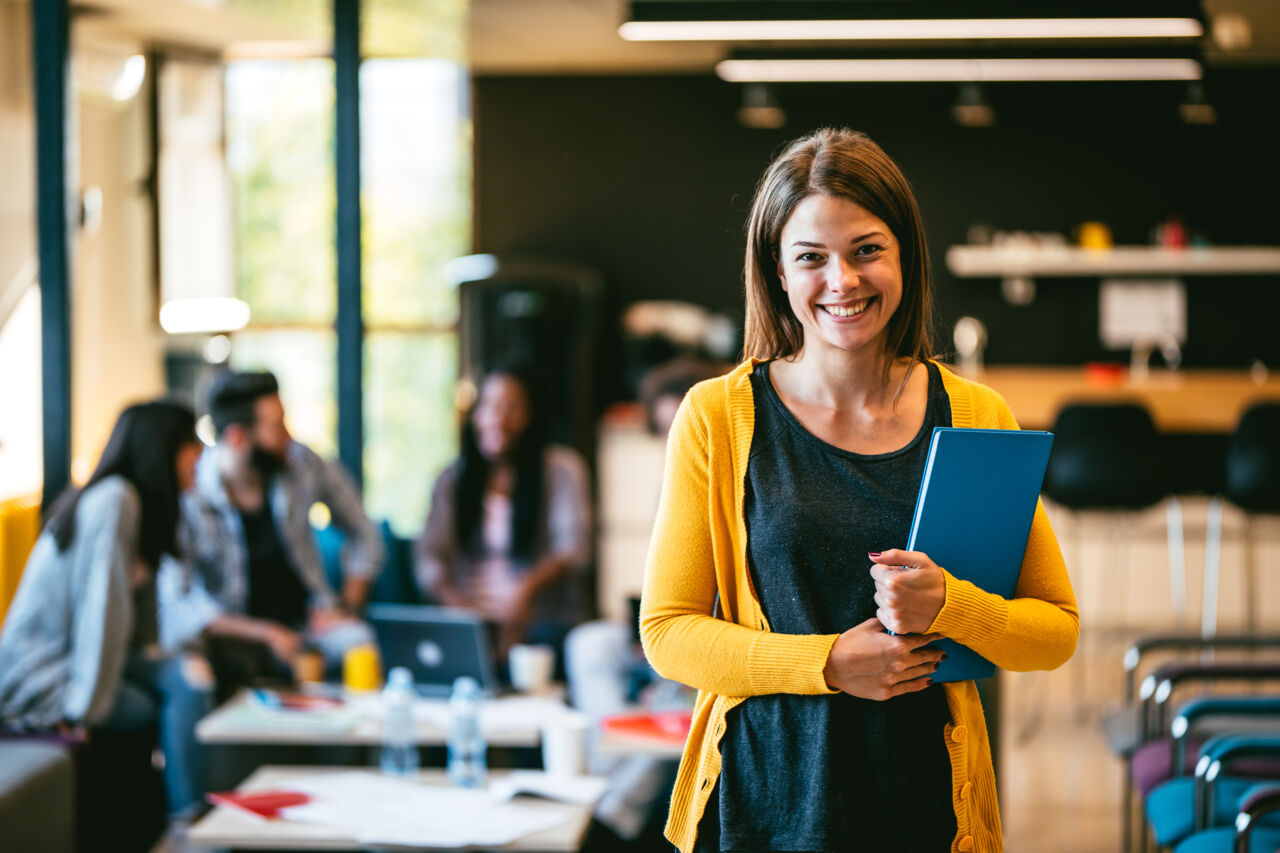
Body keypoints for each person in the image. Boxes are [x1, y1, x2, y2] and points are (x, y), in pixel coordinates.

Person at [640, 128, 1079, 853]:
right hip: (762, 805)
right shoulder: (717, 416)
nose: (842, 281)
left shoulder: (976, 415)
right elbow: (667, 632)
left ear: (904, 253)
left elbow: (1054, 631)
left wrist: (952, 605)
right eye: (811, 257)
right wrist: (830, 662)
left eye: (867, 249)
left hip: (926, 809)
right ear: (778, 272)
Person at [0, 400, 210, 821]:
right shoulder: (115, 500)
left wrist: (165, 658)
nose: (201, 456)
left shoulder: (143, 508)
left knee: (191, 675)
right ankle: (186, 823)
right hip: (42, 673)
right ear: (163, 449)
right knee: (160, 701)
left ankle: (188, 817)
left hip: (83, 660)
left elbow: (140, 632)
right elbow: (103, 614)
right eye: (192, 444)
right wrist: (83, 713)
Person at [157, 370, 379, 686]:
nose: (288, 436)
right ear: (237, 437)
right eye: (276, 427)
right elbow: (179, 606)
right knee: (193, 662)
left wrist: (346, 606)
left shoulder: (301, 464)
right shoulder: (193, 494)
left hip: (306, 629)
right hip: (232, 637)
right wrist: (266, 633)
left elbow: (365, 533)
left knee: (358, 642)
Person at [416, 365, 591, 658]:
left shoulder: (562, 471)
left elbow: (574, 548)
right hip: (468, 615)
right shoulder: (451, 478)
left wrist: (525, 591)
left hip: (539, 616)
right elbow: (428, 557)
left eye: (512, 408)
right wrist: (457, 605)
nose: (497, 419)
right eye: (488, 406)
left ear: (532, 416)